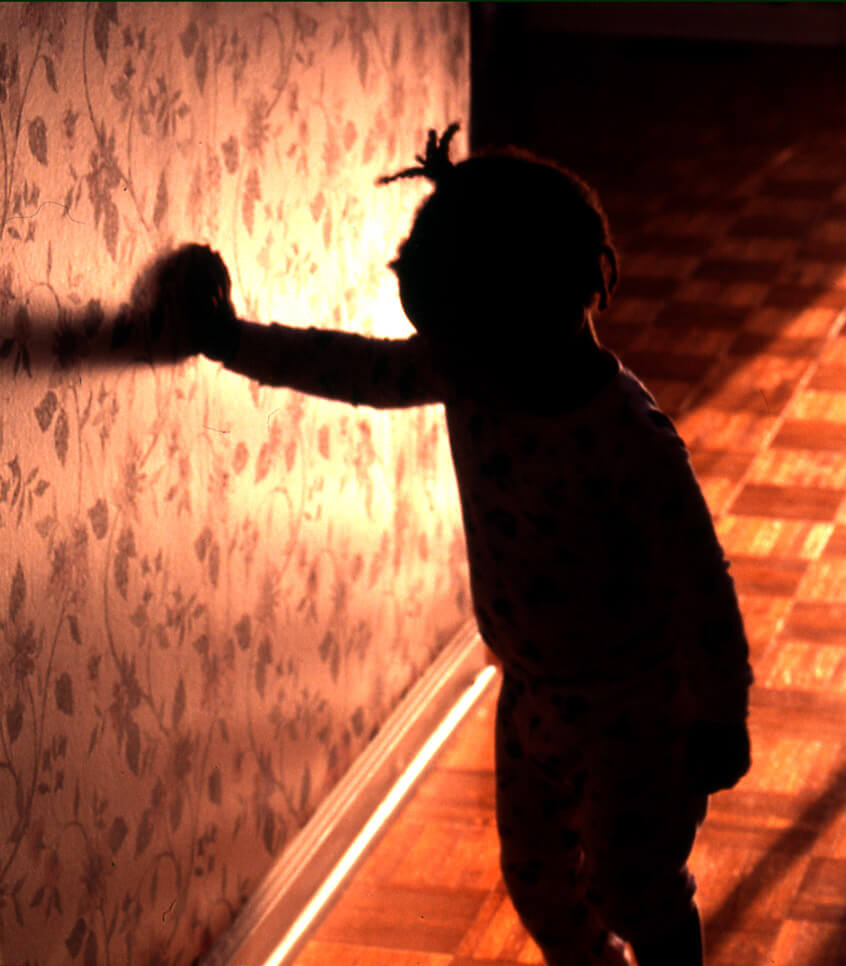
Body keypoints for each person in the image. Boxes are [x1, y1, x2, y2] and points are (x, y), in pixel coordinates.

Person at [175, 124, 752, 966]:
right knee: (540, 886)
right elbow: (353, 370)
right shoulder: (470, 363)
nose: (441, 360)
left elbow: (702, 585)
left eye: (459, 340)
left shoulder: (629, 440)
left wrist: (721, 715)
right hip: (527, 695)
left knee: (636, 888)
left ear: (549, 308)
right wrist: (230, 341)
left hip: (639, 713)